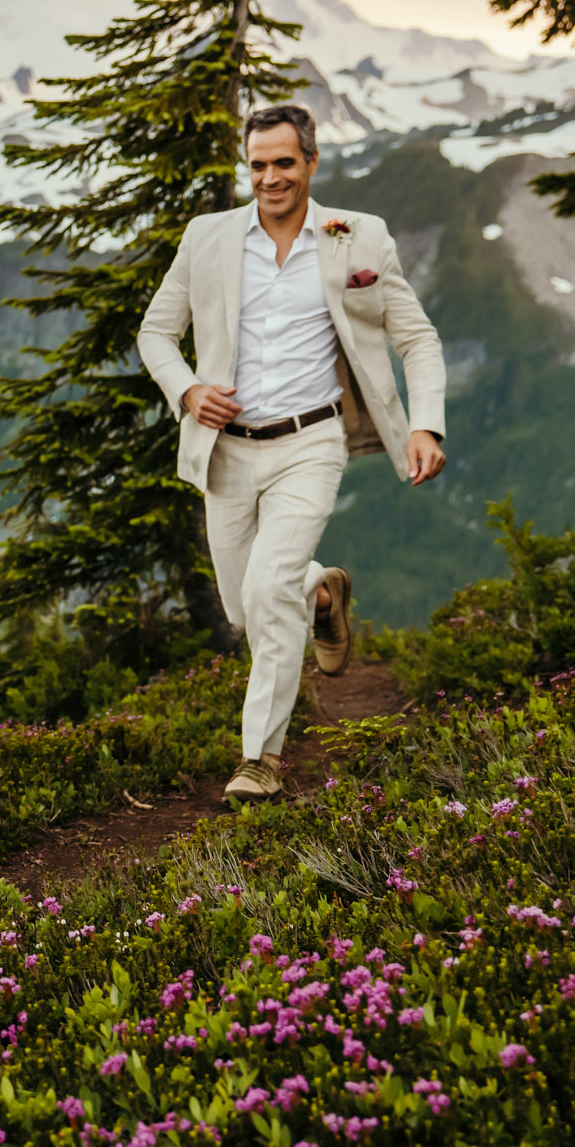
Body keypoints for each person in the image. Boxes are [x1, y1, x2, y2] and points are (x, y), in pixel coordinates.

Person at [137, 104, 447, 803]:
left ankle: (262, 758)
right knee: (246, 607)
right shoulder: (208, 237)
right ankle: (322, 588)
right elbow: (155, 332)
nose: (270, 177)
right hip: (226, 452)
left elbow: (417, 338)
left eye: (284, 162)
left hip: (313, 441)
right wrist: (188, 391)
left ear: (310, 162)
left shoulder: (357, 237)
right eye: (257, 164)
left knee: (265, 592)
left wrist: (426, 423)